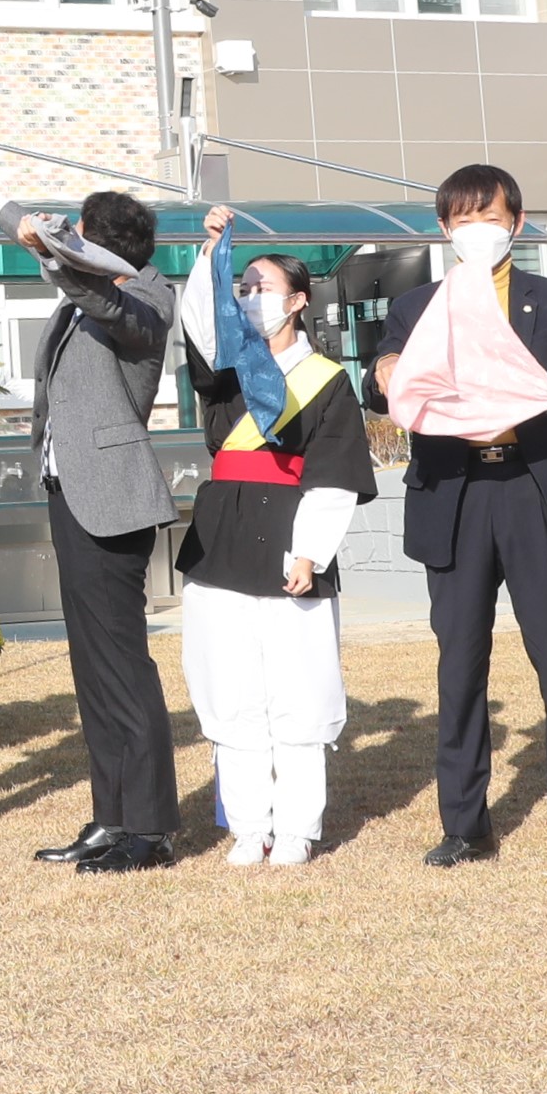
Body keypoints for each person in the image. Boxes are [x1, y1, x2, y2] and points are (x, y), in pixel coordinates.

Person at [367, 164, 547, 868]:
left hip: (536, 491)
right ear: (444, 229)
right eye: (462, 217)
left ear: (515, 223)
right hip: (453, 493)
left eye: (491, 215)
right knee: (459, 666)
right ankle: (463, 825)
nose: (477, 228)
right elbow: (380, 375)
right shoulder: (416, 305)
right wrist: (383, 370)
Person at [0, 162, 183, 875]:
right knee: (93, 669)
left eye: (78, 234)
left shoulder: (144, 294)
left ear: (99, 244)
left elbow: (92, 289)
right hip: (71, 491)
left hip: (113, 497)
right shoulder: (86, 297)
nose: (68, 245)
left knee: (122, 665)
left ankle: (148, 830)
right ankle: (109, 818)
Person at [176, 214, 376, 866]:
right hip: (222, 535)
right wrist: (212, 255)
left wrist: (309, 552)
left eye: (263, 287)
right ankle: (246, 826)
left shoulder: (325, 379)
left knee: (297, 686)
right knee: (228, 688)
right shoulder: (228, 371)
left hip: (291, 535)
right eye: (242, 287)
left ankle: (294, 827)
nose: (250, 297)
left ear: (297, 300)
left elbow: (334, 474)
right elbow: (200, 326)